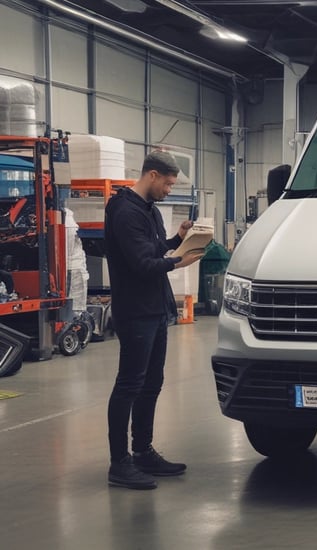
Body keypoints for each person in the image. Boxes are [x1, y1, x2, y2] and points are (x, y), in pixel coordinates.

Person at [104, 150, 204, 490]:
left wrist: (178, 239)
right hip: (135, 312)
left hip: (156, 310)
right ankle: (120, 463)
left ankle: (143, 451)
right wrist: (179, 261)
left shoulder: (147, 210)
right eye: (168, 184)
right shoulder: (124, 212)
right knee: (129, 385)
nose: (169, 190)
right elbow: (142, 264)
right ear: (152, 176)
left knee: (151, 384)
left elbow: (154, 248)